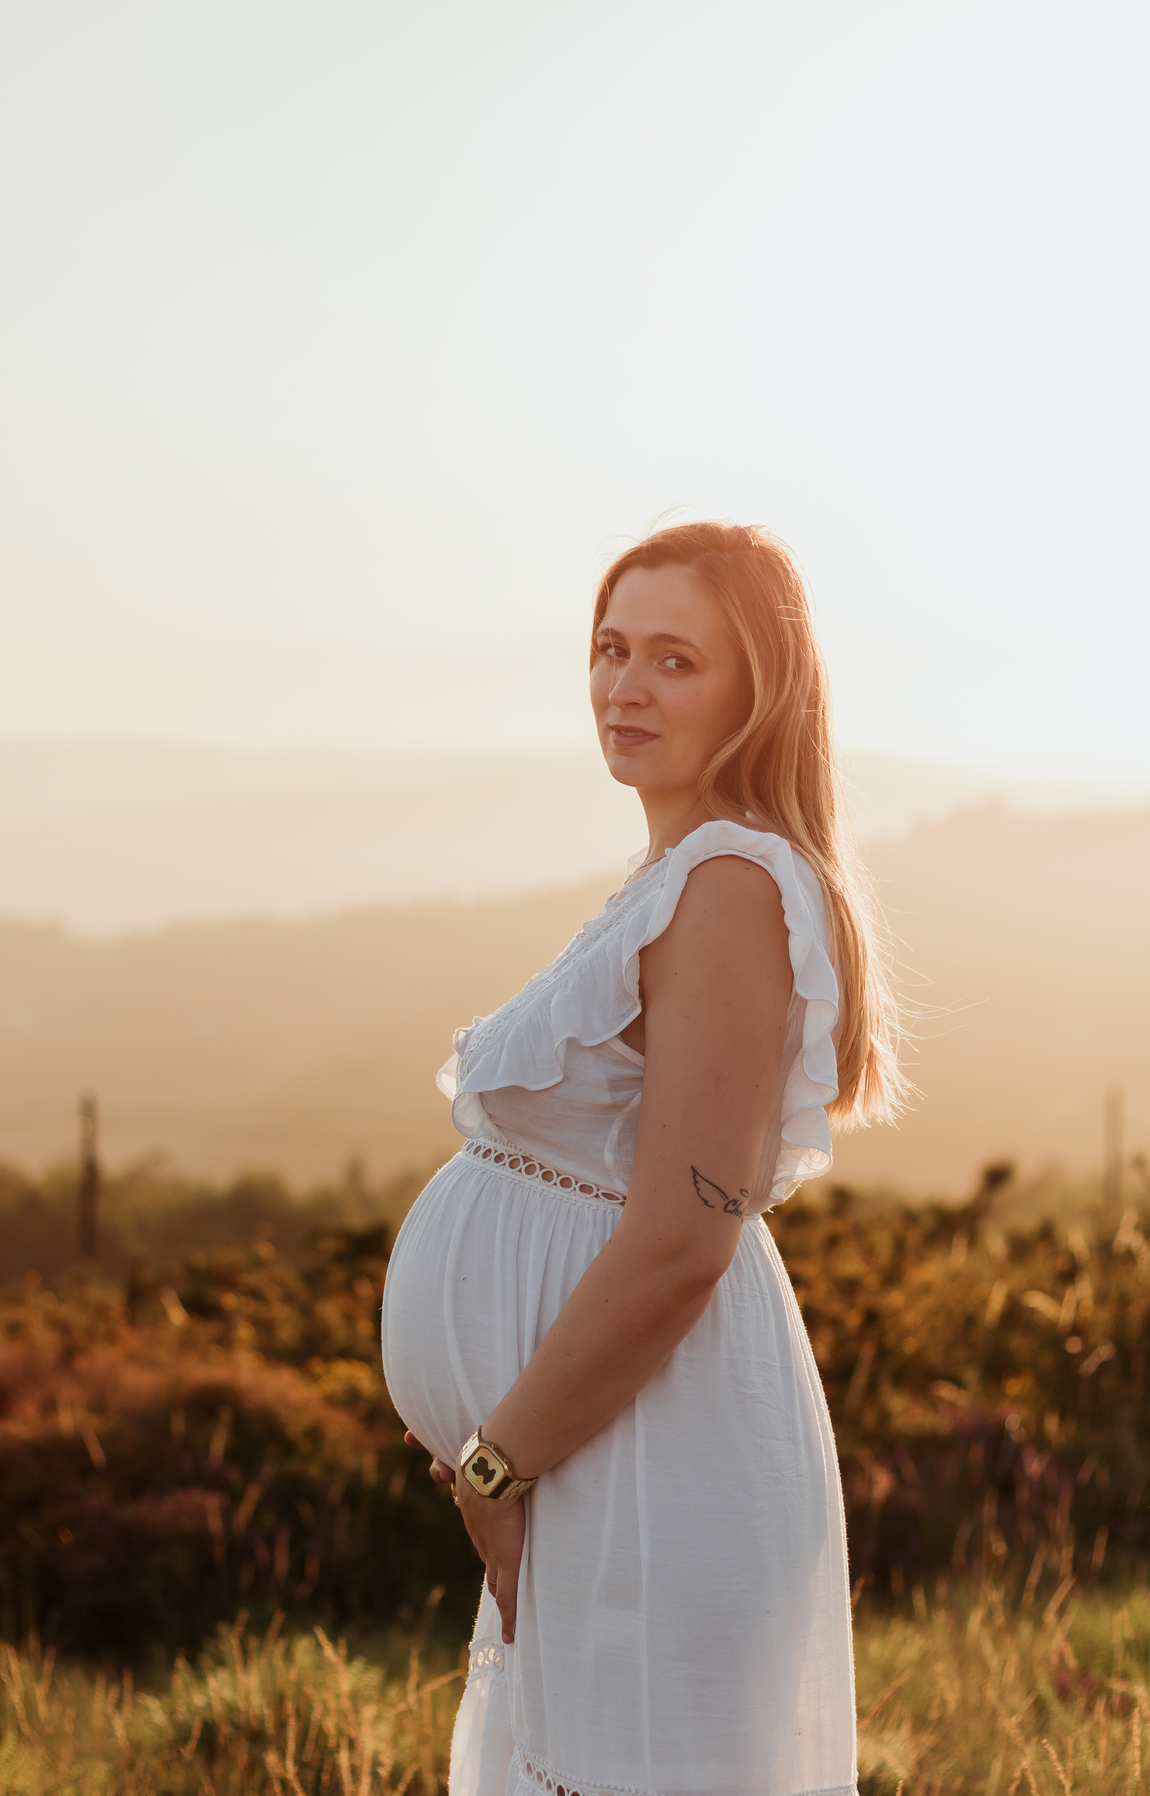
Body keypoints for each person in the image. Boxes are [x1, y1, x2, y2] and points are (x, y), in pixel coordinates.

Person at [381, 521, 904, 1796]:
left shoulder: (729, 885)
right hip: (594, 1453)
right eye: (612, 649)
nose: (626, 687)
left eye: (676, 659)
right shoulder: (673, 876)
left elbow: (682, 1240)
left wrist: (499, 1460)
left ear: (757, 692)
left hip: (647, 1458)